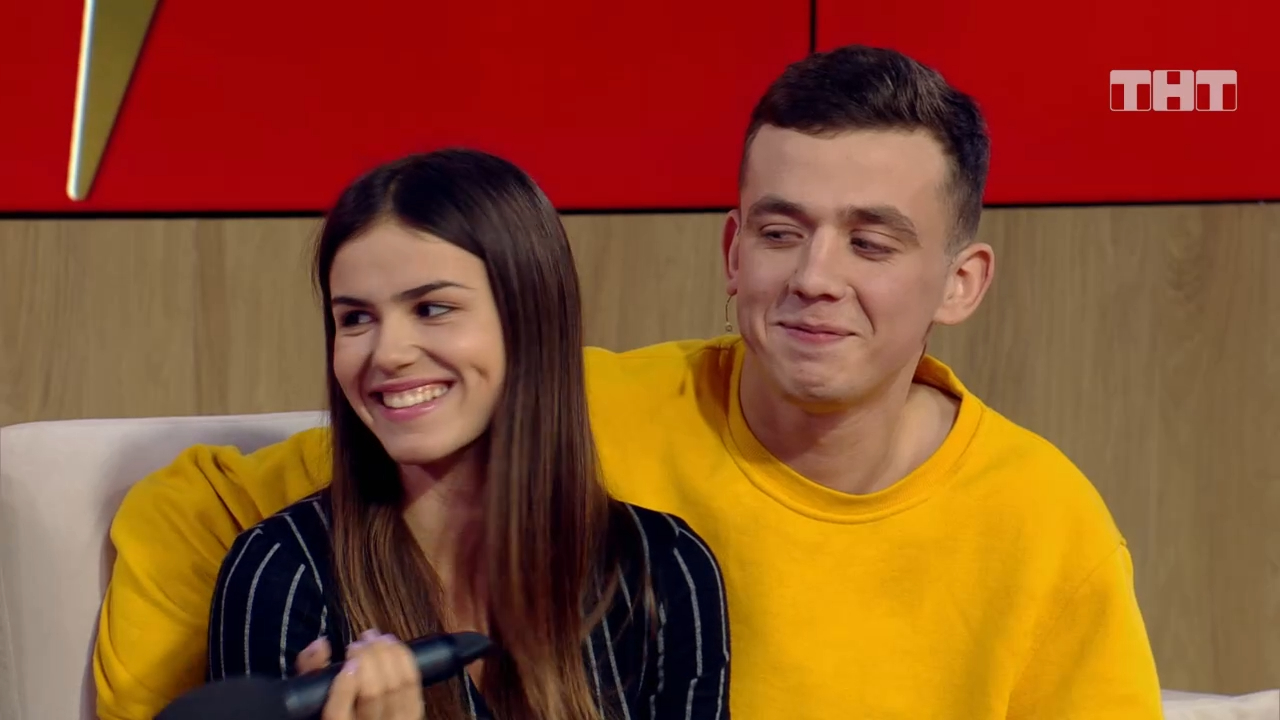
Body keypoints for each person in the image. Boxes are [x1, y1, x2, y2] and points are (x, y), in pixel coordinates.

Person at [94, 45, 1164, 720]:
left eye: (871, 242)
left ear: (961, 282)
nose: (813, 277)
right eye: (780, 231)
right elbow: (217, 504)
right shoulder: (567, 409)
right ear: (733, 251)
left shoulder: (1046, 526)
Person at [202, 149, 729, 720]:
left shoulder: (664, 569)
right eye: (355, 318)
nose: (388, 353)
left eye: (432, 309)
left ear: (531, 319)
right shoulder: (280, 573)